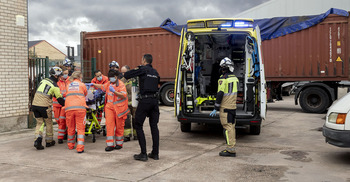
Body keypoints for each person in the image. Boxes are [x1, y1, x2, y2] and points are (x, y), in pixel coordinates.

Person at [124, 54, 160, 161]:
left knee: (138, 125)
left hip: (145, 101)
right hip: (155, 101)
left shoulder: (143, 69)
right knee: (154, 127)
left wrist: (139, 67)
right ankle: (155, 153)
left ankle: (143, 154)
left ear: (144, 60)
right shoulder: (155, 72)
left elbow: (127, 74)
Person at [93, 69, 129, 152]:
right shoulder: (109, 83)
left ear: (116, 77)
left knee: (119, 126)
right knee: (109, 126)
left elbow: (123, 95)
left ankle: (119, 143)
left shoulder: (121, 84)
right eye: (109, 78)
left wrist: (114, 91)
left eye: (112, 78)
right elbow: (102, 87)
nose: (110, 79)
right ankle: (110, 145)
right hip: (109, 108)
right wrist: (93, 84)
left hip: (119, 109)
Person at [210, 57, 239, 157]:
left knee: (227, 127)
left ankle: (230, 149)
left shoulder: (223, 79)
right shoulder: (235, 78)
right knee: (231, 127)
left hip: (225, 107)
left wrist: (216, 107)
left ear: (223, 68)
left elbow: (220, 93)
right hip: (232, 106)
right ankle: (232, 146)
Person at [32, 67, 65, 150]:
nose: (61, 77)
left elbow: (43, 92)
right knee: (48, 122)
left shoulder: (43, 80)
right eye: (60, 76)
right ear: (56, 76)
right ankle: (49, 141)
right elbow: (60, 99)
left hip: (35, 105)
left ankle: (37, 140)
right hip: (45, 106)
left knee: (39, 123)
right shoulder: (55, 86)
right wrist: (67, 104)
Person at [65, 71, 88, 153]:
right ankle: (80, 147)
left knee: (70, 127)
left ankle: (70, 145)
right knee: (80, 128)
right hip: (80, 108)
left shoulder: (68, 85)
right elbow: (85, 94)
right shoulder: (82, 85)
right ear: (79, 77)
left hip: (69, 109)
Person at [121, 65, 137, 142]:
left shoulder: (135, 80)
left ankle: (136, 134)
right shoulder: (121, 81)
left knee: (135, 119)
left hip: (134, 103)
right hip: (125, 104)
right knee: (126, 120)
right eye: (122, 72)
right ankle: (127, 135)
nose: (123, 74)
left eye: (125, 72)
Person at [52, 68, 69, 144]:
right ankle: (64, 133)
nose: (65, 75)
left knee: (63, 121)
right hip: (56, 104)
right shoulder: (57, 82)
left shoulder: (68, 82)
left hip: (64, 104)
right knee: (58, 120)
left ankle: (62, 136)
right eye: (64, 73)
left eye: (66, 73)